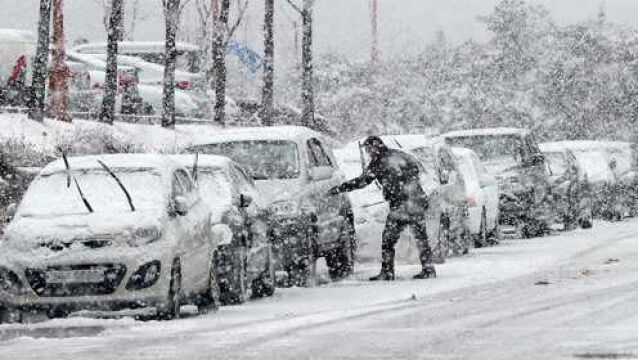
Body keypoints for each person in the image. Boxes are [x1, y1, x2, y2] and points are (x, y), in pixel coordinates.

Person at [328, 135, 436, 281]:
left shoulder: (378, 162)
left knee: (388, 240)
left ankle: (387, 271)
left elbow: (362, 182)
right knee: (421, 238)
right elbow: (415, 169)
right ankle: (428, 268)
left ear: (374, 147)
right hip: (416, 202)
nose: (367, 153)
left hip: (401, 206)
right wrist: (409, 188)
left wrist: (339, 189)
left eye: (368, 149)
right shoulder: (399, 155)